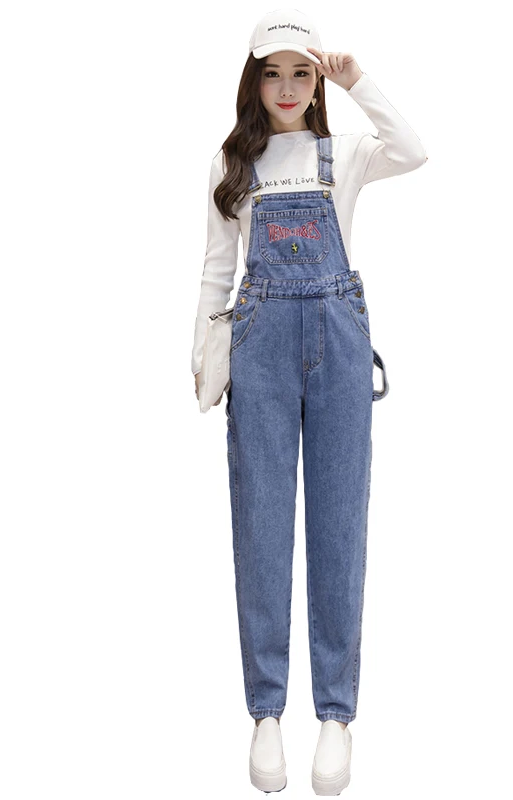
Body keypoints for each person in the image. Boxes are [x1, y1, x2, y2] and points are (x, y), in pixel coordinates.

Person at [190, 8, 427, 795]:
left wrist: (357, 79)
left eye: (302, 73)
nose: (287, 87)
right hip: (258, 348)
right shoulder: (233, 163)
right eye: (273, 73)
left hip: (338, 345)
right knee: (261, 524)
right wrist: (204, 358)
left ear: (317, 81)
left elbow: (414, 149)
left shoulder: (345, 153)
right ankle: (266, 712)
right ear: (253, 82)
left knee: (338, 524)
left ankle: (335, 716)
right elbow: (217, 273)